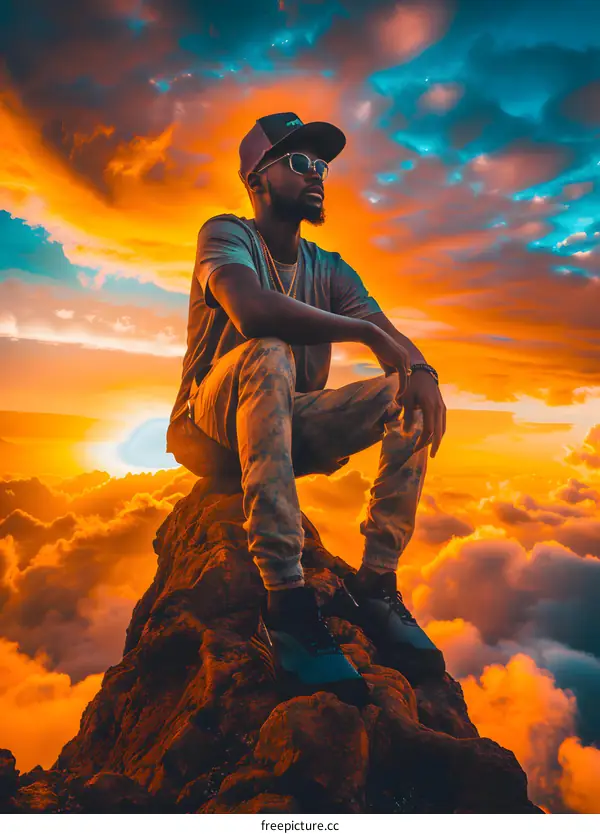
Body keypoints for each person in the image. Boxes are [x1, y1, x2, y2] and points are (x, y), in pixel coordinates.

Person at [167, 112, 447, 704]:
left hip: (286, 425)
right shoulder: (225, 234)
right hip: (210, 426)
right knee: (267, 350)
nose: (317, 173)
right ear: (257, 180)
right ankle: (288, 604)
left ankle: (375, 586)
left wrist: (421, 370)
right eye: (299, 162)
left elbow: (391, 336)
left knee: (409, 394)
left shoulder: (331, 267)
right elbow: (251, 311)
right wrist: (364, 337)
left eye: (321, 163)